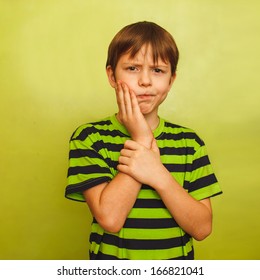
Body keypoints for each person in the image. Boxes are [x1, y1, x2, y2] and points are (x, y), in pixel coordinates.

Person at [65, 21, 222, 260]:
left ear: (171, 79)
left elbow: (202, 228)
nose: (145, 81)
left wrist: (157, 174)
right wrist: (141, 138)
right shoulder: (89, 138)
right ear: (111, 75)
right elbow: (110, 218)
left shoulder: (190, 143)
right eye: (132, 68)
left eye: (158, 70)